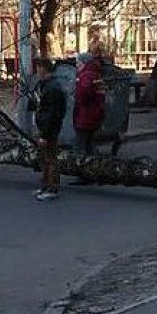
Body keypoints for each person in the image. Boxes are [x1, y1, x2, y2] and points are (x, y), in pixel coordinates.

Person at [31, 58, 67, 201]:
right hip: (44, 125)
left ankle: (52, 187)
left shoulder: (53, 88)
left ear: (43, 68)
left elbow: (52, 113)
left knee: (50, 158)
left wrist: (44, 134)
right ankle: (45, 185)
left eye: (38, 68)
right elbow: (37, 103)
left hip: (49, 128)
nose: (37, 71)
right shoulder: (44, 85)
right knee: (45, 158)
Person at [74, 51, 106, 157]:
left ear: (83, 62)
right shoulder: (96, 74)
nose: (76, 64)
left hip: (85, 114)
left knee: (81, 143)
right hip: (95, 113)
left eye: (78, 62)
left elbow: (82, 94)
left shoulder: (86, 76)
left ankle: (83, 164)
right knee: (90, 142)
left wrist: (79, 101)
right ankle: (92, 163)